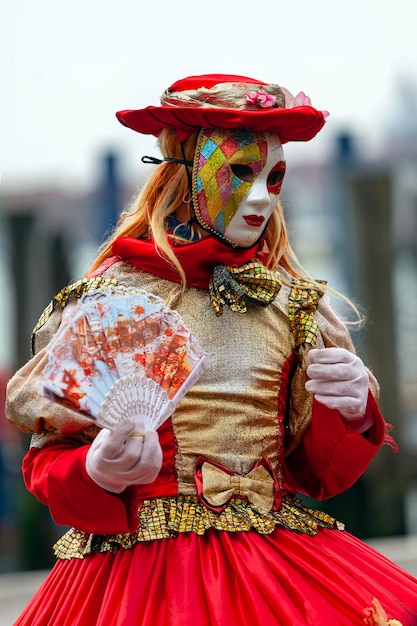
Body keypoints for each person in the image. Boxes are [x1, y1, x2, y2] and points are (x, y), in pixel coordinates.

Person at [6, 73, 417, 625]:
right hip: (141, 581)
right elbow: (46, 460)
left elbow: (317, 474)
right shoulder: (108, 303)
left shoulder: (292, 306)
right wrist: (97, 470)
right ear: (183, 176)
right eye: (241, 171)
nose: (260, 197)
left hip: (276, 564)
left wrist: (349, 409)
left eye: (274, 178)